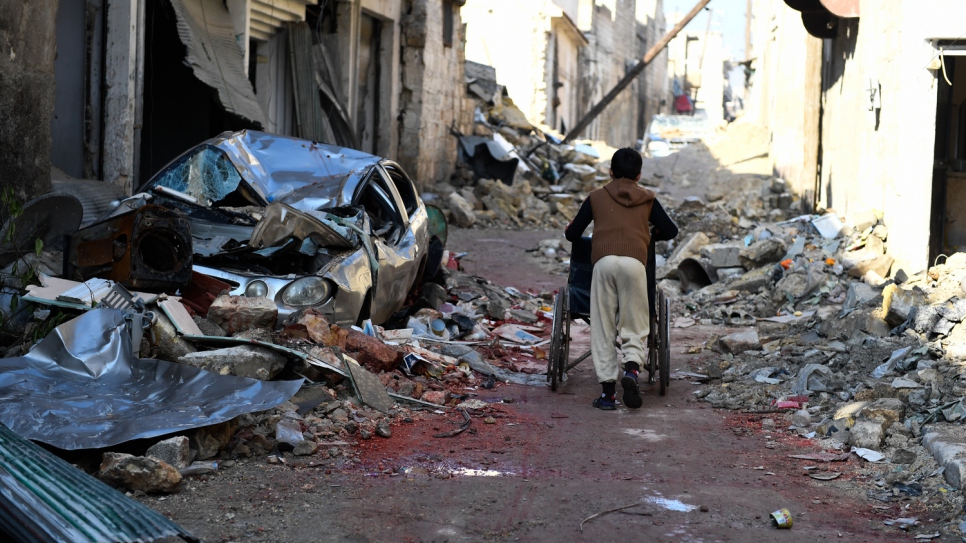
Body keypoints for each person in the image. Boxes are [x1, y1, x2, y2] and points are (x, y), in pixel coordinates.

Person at [564, 148, 678, 410]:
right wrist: (649, 235)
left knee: (603, 326)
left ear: (610, 172)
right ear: (639, 175)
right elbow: (671, 230)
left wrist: (572, 229)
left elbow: (573, 235)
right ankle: (631, 372)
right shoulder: (648, 199)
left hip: (603, 264)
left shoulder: (596, 197)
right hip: (635, 265)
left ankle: (607, 395)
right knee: (635, 323)